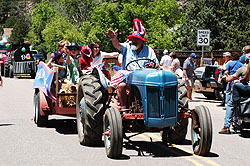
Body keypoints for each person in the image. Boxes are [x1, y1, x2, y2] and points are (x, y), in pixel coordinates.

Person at [106, 26, 159, 109]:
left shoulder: (149, 50)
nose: (133, 41)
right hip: (129, 77)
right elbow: (117, 45)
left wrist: (152, 65)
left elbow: (156, 64)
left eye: (136, 39)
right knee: (121, 86)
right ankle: (124, 108)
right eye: (132, 39)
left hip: (145, 77)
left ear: (142, 41)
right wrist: (113, 38)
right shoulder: (127, 47)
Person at [218, 53, 250, 134]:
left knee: (231, 104)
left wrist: (226, 78)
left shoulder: (243, 68)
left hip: (246, 89)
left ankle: (226, 126)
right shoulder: (240, 65)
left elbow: (232, 77)